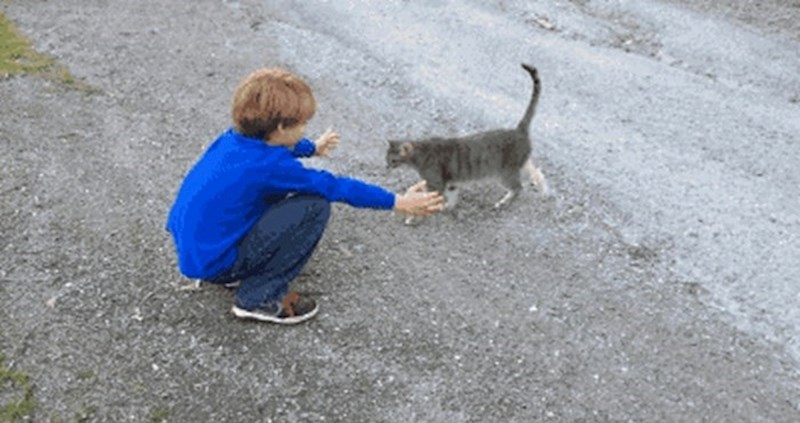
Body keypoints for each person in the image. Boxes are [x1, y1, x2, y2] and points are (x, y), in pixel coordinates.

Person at [166, 68, 444, 324]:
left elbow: (274, 146)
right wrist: (397, 202)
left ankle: (231, 269)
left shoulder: (232, 139)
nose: (305, 130)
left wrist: (312, 148)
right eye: (302, 125)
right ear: (283, 128)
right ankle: (259, 298)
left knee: (265, 196)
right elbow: (335, 186)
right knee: (313, 205)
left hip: (197, 249)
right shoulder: (270, 167)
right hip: (216, 262)